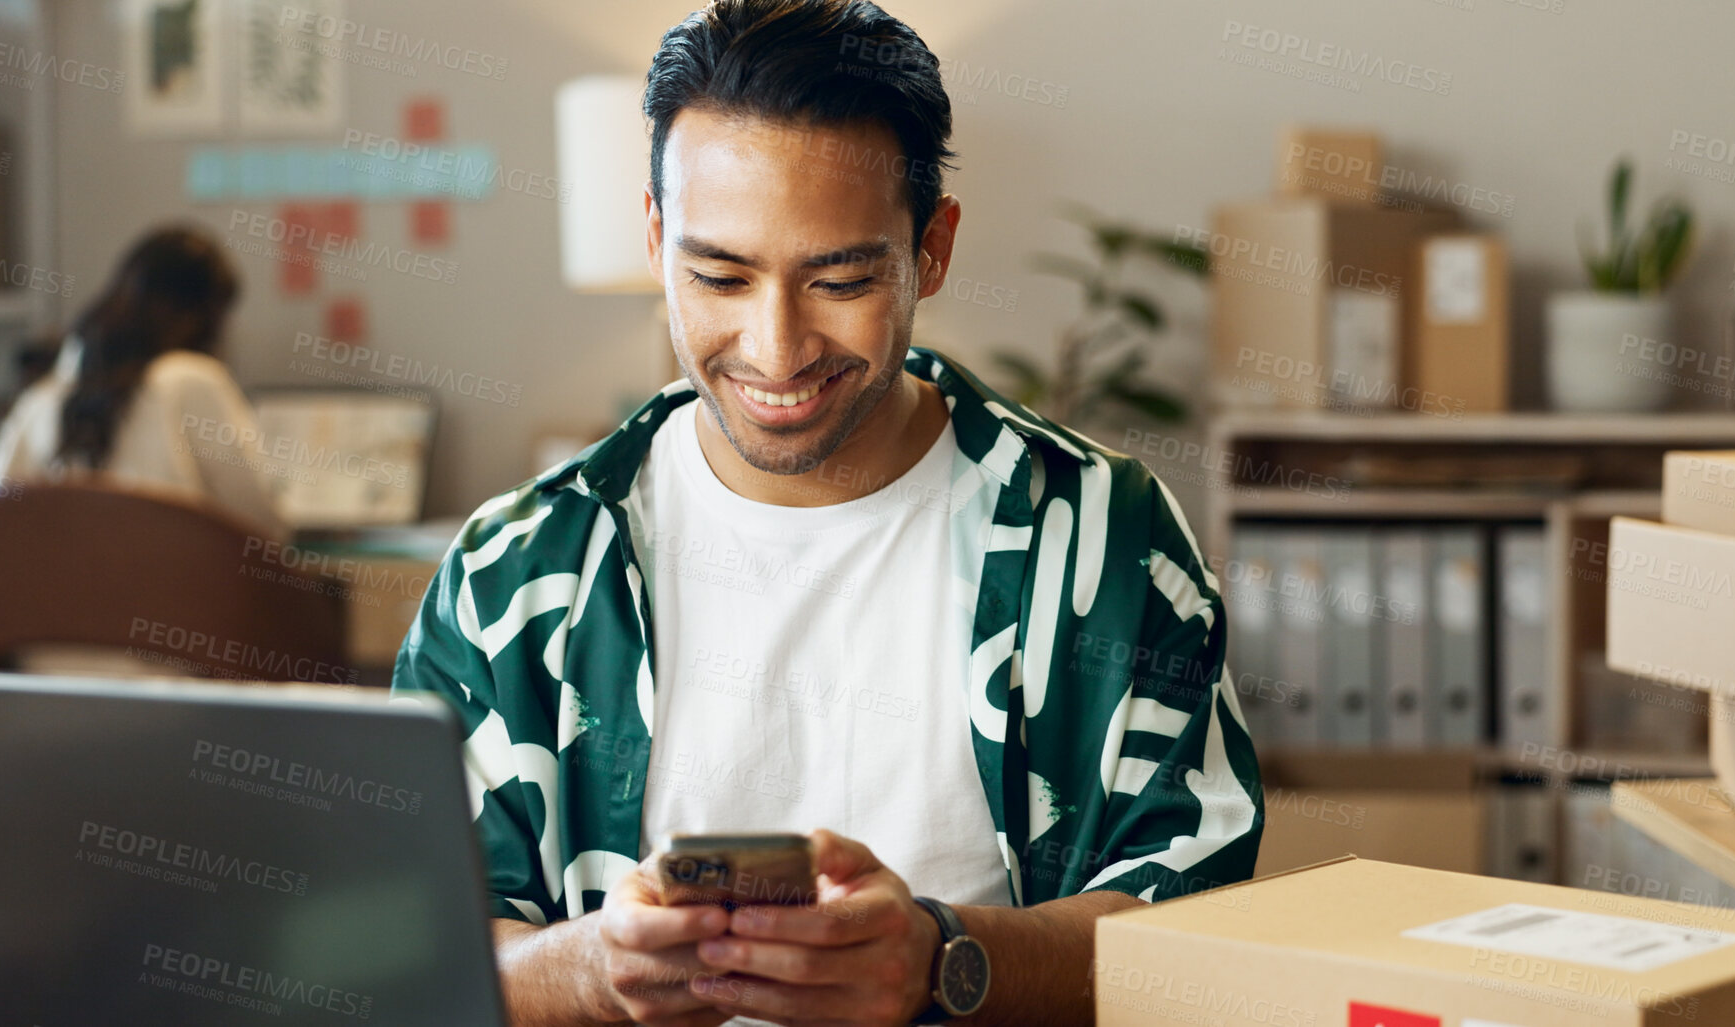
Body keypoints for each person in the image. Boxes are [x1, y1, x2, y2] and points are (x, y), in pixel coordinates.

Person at [390, 2, 1262, 1024]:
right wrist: (588, 969)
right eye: (719, 275)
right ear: (658, 239)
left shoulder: (1105, 539)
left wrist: (947, 961)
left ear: (930, 251)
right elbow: (409, 941)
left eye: (841, 279)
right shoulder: (520, 568)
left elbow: (1206, 928)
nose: (776, 347)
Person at [0, 224, 287, 541]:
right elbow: (259, 524)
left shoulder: (40, 399)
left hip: (56, 590)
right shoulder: (192, 381)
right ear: (204, 317)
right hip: (173, 589)